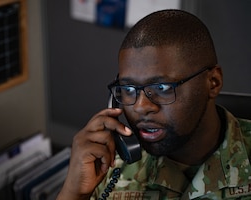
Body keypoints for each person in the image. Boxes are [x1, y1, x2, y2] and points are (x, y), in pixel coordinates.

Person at [56, 9, 251, 200]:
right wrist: (75, 194)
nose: (140, 107)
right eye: (129, 89)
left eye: (162, 87)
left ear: (213, 82)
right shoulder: (107, 162)